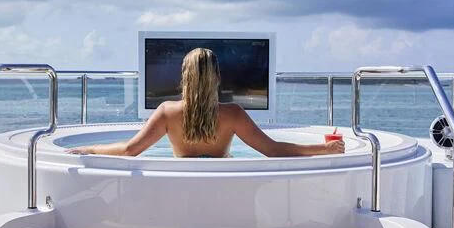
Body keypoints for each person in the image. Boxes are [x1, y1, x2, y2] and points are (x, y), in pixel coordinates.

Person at [66, 48, 346, 157]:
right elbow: (273, 150)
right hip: (223, 182)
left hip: (182, 186)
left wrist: (90, 149)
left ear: (184, 77)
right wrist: (324, 148)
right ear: (218, 77)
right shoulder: (233, 114)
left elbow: (129, 150)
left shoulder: (167, 112)